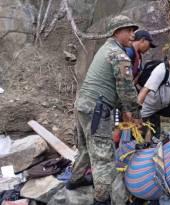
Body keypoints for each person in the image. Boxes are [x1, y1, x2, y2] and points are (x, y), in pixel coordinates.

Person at [66, 15, 141, 205]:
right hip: (97, 109)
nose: (133, 34)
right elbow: (126, 89)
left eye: (133, 30)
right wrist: (135, 112)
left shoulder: (105, 48)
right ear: (117, 32)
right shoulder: (119, 55)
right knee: (103, 156)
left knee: (85, 146)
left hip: (83, 104)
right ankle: (101, 199)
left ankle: (74, 181)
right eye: (129, 30)